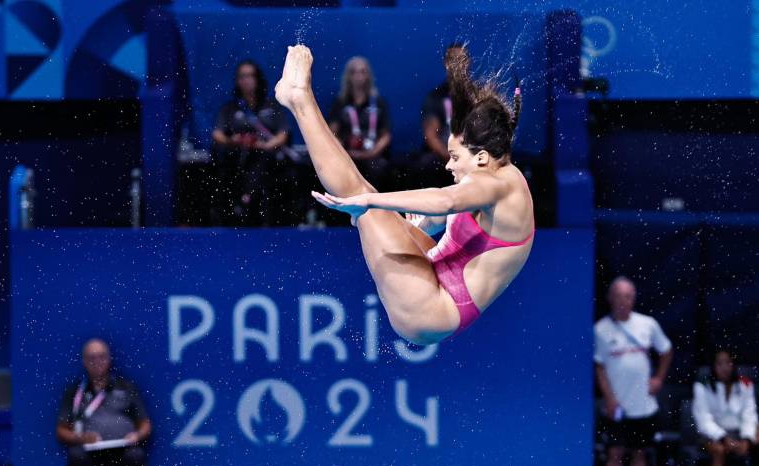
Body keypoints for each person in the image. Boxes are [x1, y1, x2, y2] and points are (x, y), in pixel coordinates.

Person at [275, 45, 534, 345]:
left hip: (433, 309)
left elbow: (445, 200)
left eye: (454, 156)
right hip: (434, 276)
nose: (448, 164)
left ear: (480, 157)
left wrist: (370, 203)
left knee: (364, 197)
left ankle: (300, 99)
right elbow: (451, 217)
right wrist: (422, 226)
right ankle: (297, 100)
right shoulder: (491, 174)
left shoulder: (501, 186)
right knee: (369, 203)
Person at [56, 338, 152, 466]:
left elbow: (145, 424)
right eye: (91, 358)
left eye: (101, 357)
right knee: (75, 457)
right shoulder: (76, 392)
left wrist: (136, 435)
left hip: (122, 453)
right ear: (84, 361)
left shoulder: (126, 387)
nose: (97, 362)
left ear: (109, 360)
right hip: (90, 455)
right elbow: (61, 430)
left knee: (136, 456)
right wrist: (80, 438)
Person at [594, 276, 674, 466]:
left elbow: (666, 350)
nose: (623, 301)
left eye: (628, 296)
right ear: (610, 299)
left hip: (644, 406)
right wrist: (609, 399)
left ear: (634, 299)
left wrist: (659, 378)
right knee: (615, 453)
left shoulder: (647, 324)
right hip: (617, 406)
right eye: (618, 296)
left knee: (639, 453)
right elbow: (599, 367)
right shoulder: (600, 330)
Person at [211, 60, 291, 226]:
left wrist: (265, 145)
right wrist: (232, 140)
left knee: (262, 161)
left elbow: (283, 133)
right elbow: (217, 133)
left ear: (257, 79)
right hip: (237, 156)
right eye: (242, 76)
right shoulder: (230, 108)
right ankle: (239, 204)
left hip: (267, 158)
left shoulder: (271, 105)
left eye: (249, 76)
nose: (246, 80)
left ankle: (246, 199)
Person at [328, 56, 392, 191]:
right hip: (347, 155)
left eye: (363, 71)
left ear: (368, 75)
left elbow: (386, 135)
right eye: (354, 72)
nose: (358, 76)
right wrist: (344, 153)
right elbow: (332, 133)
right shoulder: (340, 103)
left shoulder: (379, 103)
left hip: (373, 156)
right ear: (348, 76)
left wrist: (371, 153)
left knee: (379, 169)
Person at [693, 350, 757, 466]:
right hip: (711, 435)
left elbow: (749, 415)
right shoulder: (702, 386)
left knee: (756, 437)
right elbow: (704, 421)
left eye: (728, 362)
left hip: (738, 433)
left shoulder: (745, 384)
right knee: (719, 450)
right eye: (719, 363)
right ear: (713, 366)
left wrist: (746, 440)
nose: (724, 368)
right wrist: (723, 438)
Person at [413, 44, 465, 190]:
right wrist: (453, 159)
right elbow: (431, 137)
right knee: (426, 164)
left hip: (470, 154)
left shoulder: (477, 96)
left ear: (468, 62)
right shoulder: (435, 97)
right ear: (446, 64)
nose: (458, 64)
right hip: (444, 155)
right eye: (453, 60)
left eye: (462, 59)